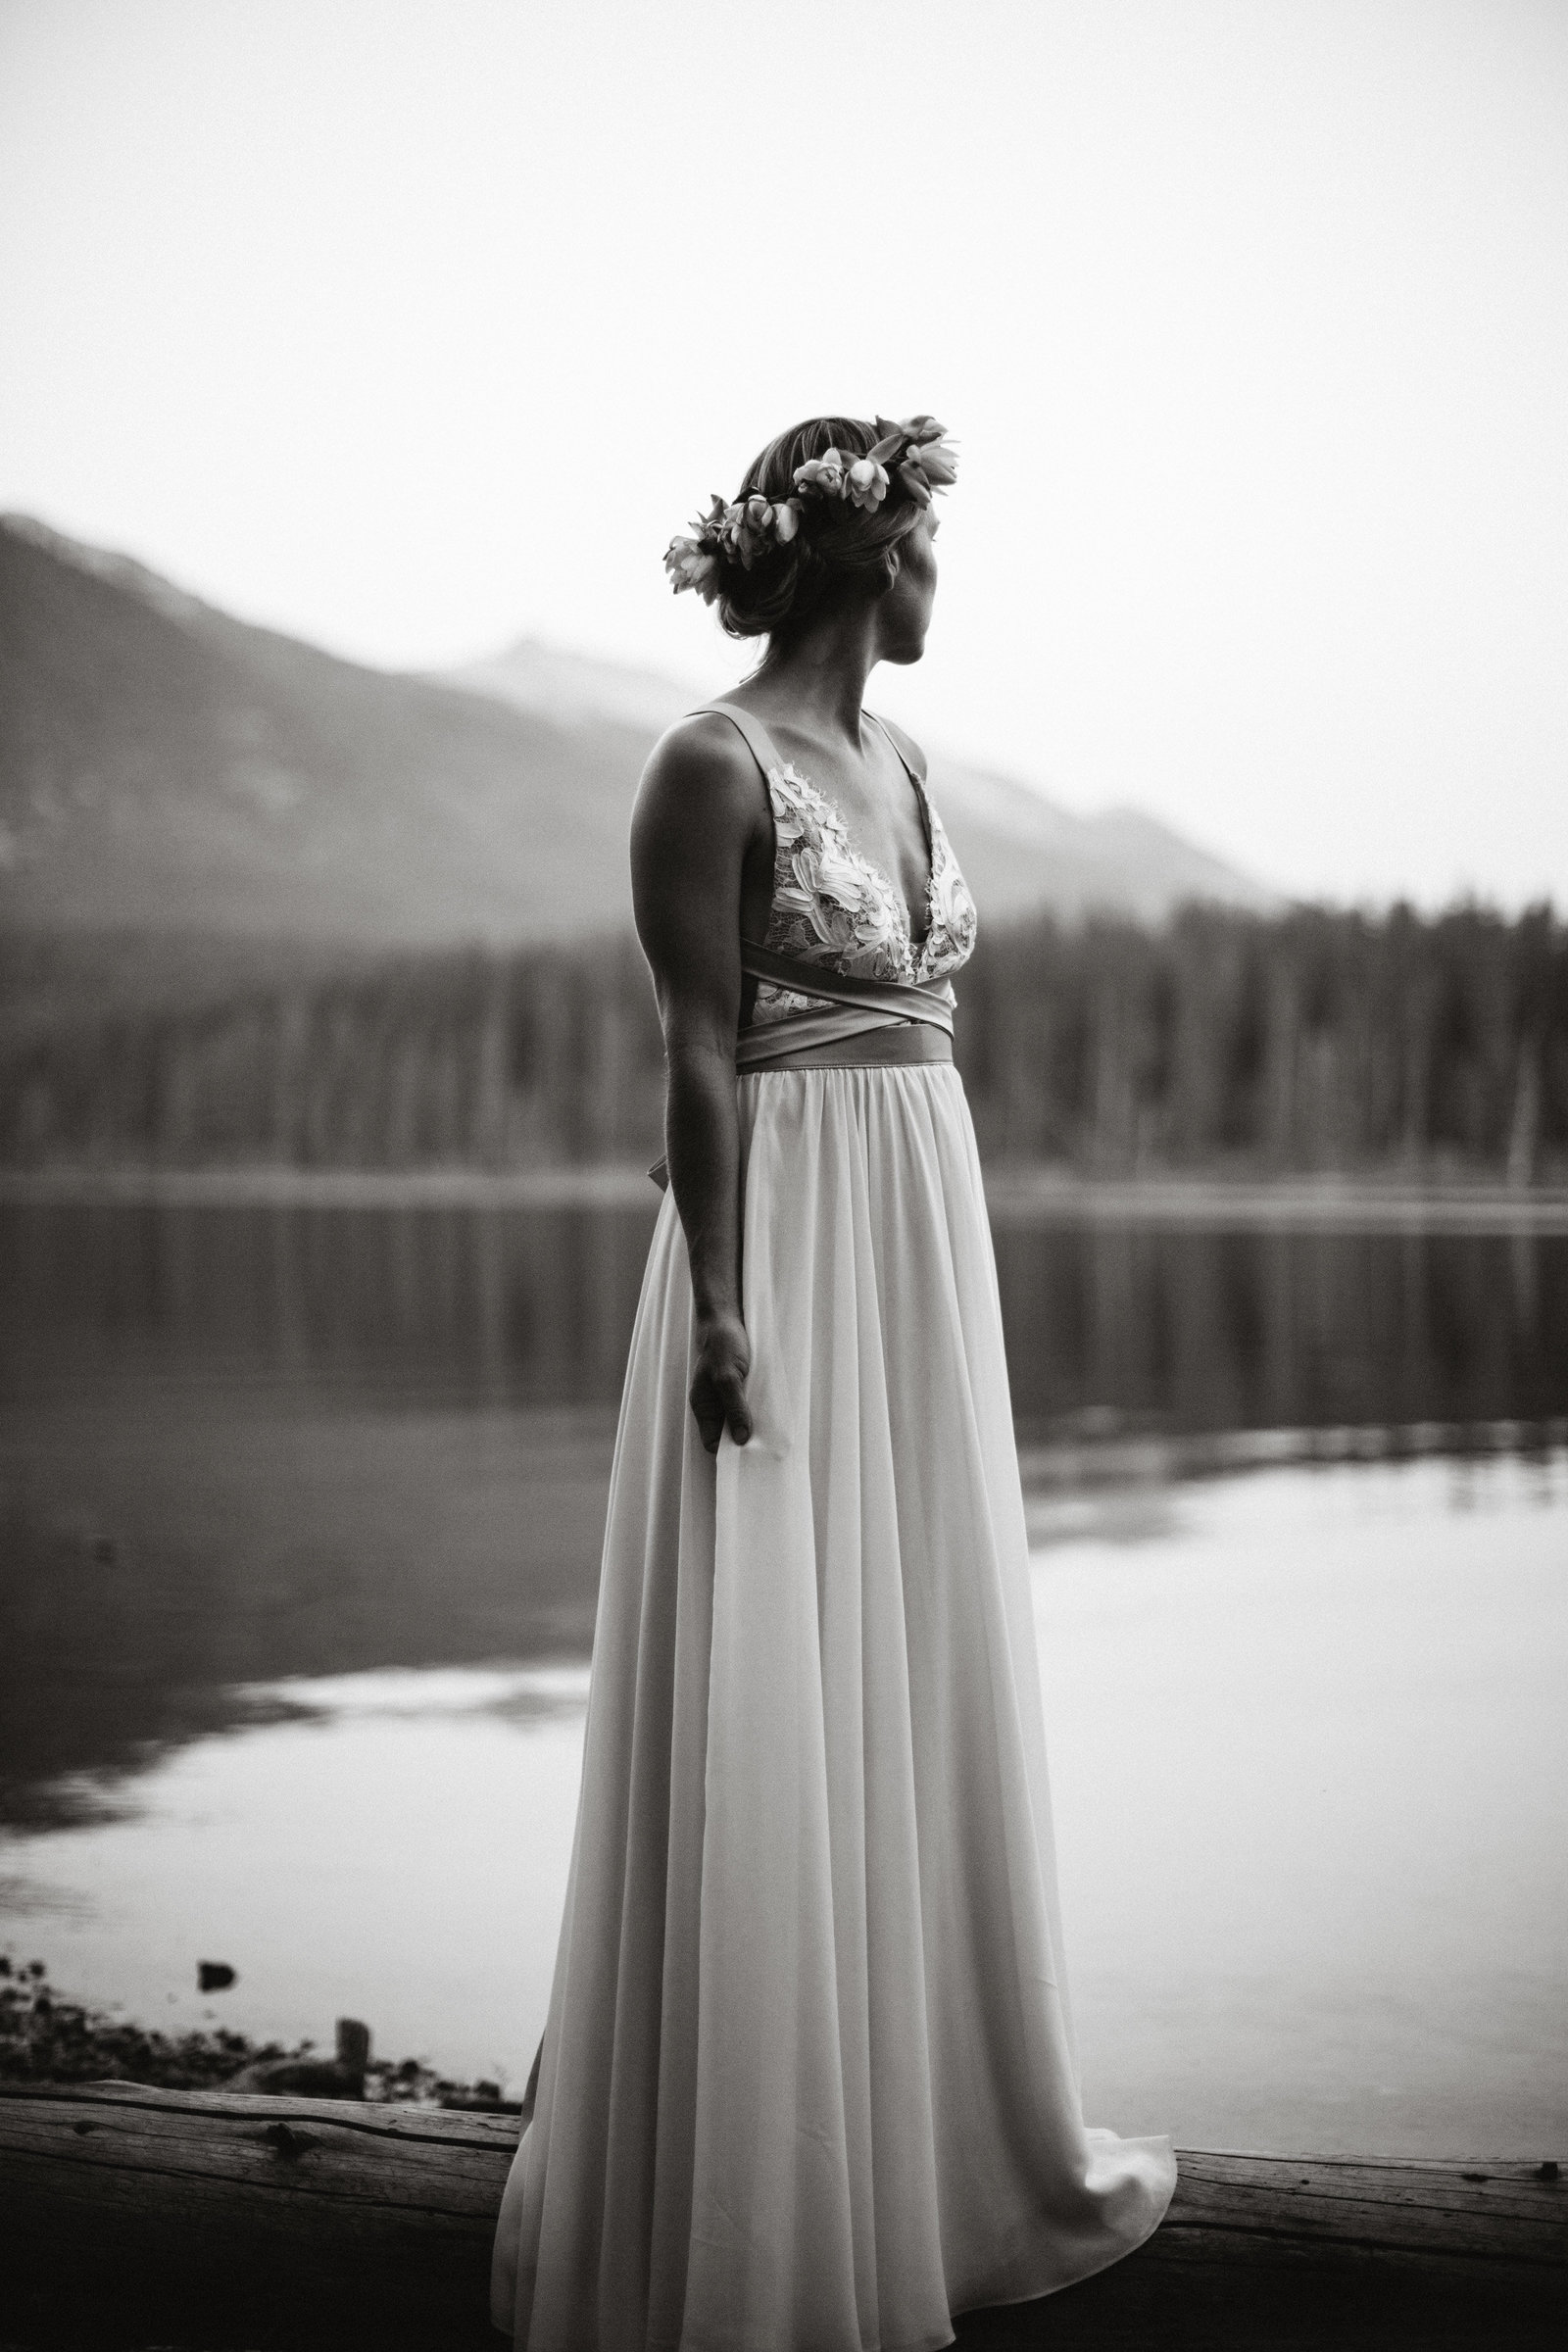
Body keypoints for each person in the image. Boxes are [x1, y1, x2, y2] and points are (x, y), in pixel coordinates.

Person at [491, 415, 1175, 2352]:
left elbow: (910, 1021)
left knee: (911, 1643)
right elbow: (696, 1057)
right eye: (930, 546)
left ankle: (934, 2151)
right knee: (777, 1652)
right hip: (780, 1236)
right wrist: (718, 1304)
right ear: (866, 557)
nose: (942, 584)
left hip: (917, 1234)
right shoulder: (705, 764)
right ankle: (752, 2213)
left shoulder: (906, 764)